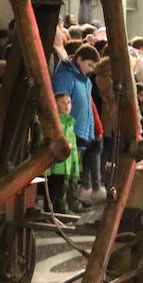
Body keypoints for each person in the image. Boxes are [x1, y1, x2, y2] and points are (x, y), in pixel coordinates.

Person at [52, 44, 100, 188]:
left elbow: (88, 108)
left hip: (80, 131)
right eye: (89, 65)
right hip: (69, 131)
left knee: (75, 169)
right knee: (66, 171)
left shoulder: (86, 81)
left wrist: (92, 130)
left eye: (93, 66)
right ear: (79, 59)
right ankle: (65, 201)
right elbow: (59, 103)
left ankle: (73, 198)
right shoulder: (65, 77)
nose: (90, 69)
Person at [45, 92, 82, 214]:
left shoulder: (70, 124)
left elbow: (74, 148)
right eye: (62, 102)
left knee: (63, 190)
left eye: (69, 102)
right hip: (56, 167)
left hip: (67, 165)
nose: (67, 106)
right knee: (53, 192)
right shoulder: (54, 125)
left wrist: (75, 165)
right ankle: (52, 213)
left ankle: (61, 211)